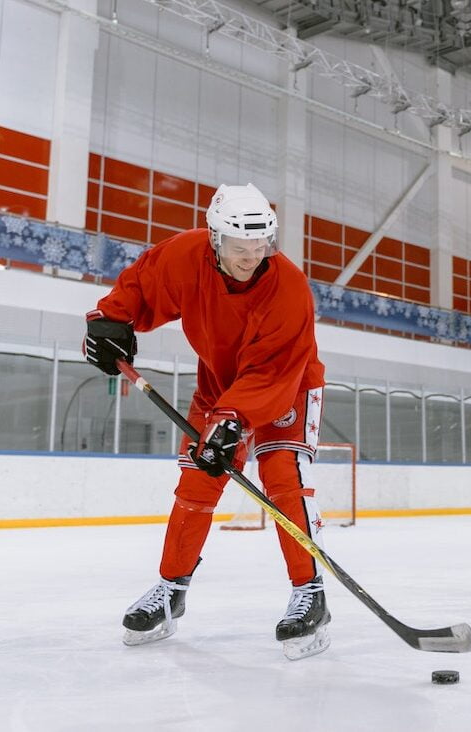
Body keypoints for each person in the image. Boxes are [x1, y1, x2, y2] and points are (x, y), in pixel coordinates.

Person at [84, 183, 330, 660]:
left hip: (288, 384)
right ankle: (170, 589)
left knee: (282, 478)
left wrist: (234, 420)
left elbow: (274, 370)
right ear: (216, 240)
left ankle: (310, 592)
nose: (251, 257)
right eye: (240, 248)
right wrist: (111, 320)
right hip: (219, 386)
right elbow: (144, 282)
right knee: (196, 484)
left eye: (260, 247)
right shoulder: (187, 255)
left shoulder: (290, 289)